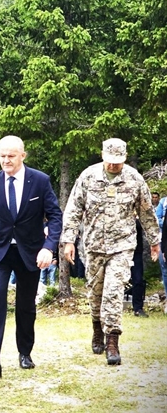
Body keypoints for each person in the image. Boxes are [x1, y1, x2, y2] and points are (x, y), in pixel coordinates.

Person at [0, 135, 62, 379]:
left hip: (30, 252)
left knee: (25, 303)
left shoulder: (40, 181)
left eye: (11, 156)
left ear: (23, 155)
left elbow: (55, 216)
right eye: (2, 156)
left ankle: (25, 352)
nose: (6, 160)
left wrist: (48, 247)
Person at [62, 138, 160, 366]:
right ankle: (97, 327)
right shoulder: (88, 177)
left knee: (114, 291)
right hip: (94, 245)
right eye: (110, 160)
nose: (114, 165)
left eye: (118, 161)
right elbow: (74, 209)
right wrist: (68, 240)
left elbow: (146, 212)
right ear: (102, 155)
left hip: (122, 246)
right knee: (95, 293)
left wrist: (155, 241)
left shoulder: (134, 179)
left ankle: (113, 340)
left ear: (124, 158)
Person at [129, 220, 148, 317]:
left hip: (136, 251)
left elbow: (143, 225)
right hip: (120, 251)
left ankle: (138, 308)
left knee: (138, 279)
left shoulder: (138, 215)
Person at [153, 193, 167, 297]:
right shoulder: (163, 201)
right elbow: (157, 218)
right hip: (163, 239)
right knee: (165, 269)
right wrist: (165, 223)